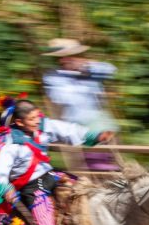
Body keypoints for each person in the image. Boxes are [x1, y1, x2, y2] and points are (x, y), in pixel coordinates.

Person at [0, 98, 113, 225]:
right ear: (19, 122)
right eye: (32, 119)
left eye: (37, 116)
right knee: (45, 224)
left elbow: (68, 130)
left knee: (85, 191)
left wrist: (94, 135)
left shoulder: (42, 127)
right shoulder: (11, 144)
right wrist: (5, 188)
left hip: (50, 175)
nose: (37, 121)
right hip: (30, 186)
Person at [42, 38, 120, 172]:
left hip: (99, 121)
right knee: (94, 164)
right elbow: (62, 98)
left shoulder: (91, 71)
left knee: (108, 157)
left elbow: (111, 69)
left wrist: (87, 67)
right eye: (66, 57)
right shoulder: (54, 77)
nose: (69, 60)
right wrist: (76, 76)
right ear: (61, 60)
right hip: (78, 124)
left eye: (73, 56)